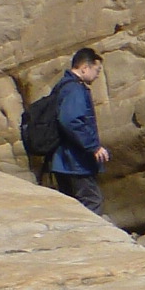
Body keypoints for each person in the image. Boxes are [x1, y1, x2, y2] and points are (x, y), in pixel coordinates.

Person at [47, 47, 109, 213]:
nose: (97, 75)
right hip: (75, 162)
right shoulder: (74, 89)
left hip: (62, 161)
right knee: (92, 201)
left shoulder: (62, 86)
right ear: (84, 68)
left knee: (72, 206)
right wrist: (94, 146)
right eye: (97, 70)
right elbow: (71, 120)